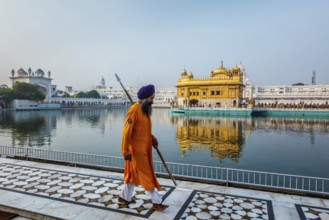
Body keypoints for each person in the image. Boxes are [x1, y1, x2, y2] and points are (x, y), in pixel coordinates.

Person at [119, 84, 169, 211]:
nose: (153, 100)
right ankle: (156, 202)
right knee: (147, 176)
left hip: (144, 149)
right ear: (146, 98)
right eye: (151, 98)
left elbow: (144, 130)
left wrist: (152, 139)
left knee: (133, 175)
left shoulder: (144, 110)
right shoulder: (134, 110)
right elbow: (126, 132)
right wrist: (125, 151)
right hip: (136, 151)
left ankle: (124, 198)